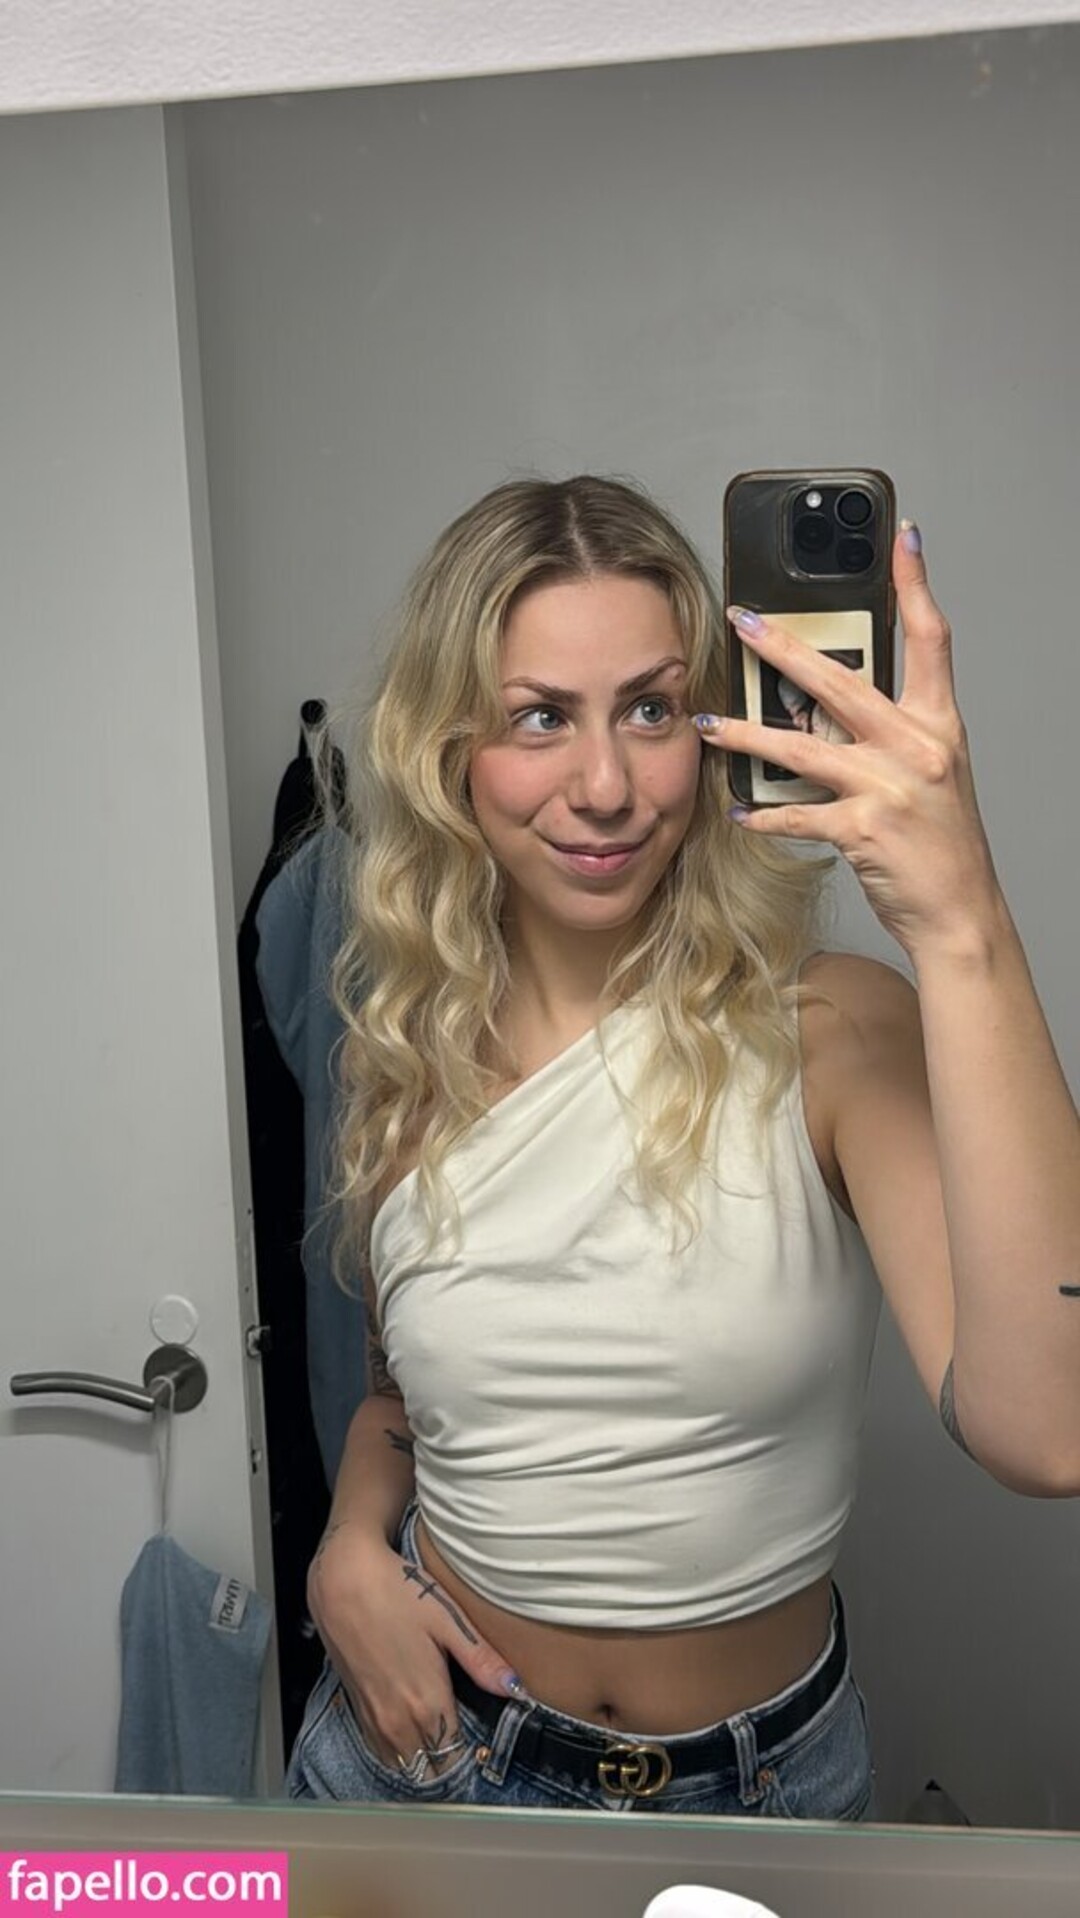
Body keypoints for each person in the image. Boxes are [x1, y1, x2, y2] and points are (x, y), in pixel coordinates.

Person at [284, 474, 1080, 1819]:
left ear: (713, 729)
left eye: (651, 710)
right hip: (419, 1762)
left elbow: (1053, 1430)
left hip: (758, 1792)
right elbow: (400, 1405)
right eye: (541, 717)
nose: (606, 787)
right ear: (450, 749)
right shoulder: (407, 1048)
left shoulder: (832, 1032)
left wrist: (961, 919)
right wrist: (347, 1549)